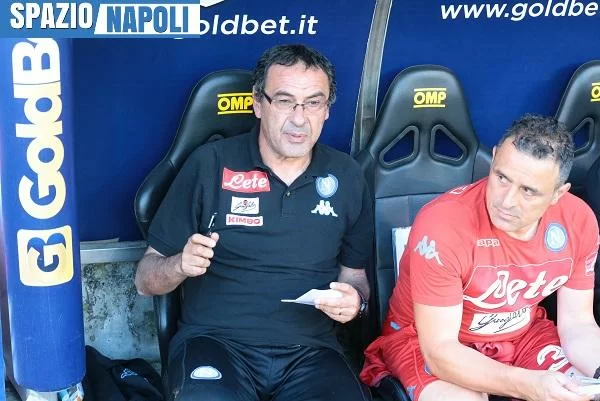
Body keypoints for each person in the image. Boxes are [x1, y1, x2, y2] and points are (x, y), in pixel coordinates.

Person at [135, 44, 373, 401]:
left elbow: (355, 278)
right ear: (258, 104)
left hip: (311, 353)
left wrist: (356, 303)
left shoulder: (347, 175)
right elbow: (144, 280)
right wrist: (180, 265)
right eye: (285, 101)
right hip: (216, 343)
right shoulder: (209, 164)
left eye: (313, 102)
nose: (299, 118)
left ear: (327, 110)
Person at [360, 115, 600, 401]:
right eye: (502, 178)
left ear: (558, 193)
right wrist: (528, 384)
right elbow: (440, 350)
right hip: (425, 340)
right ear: (494, 158)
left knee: (581, 394)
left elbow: (578, 324)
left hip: (523, 335)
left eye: (528, 191)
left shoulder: (578, 221)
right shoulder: (443, 225)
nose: (506, 201)